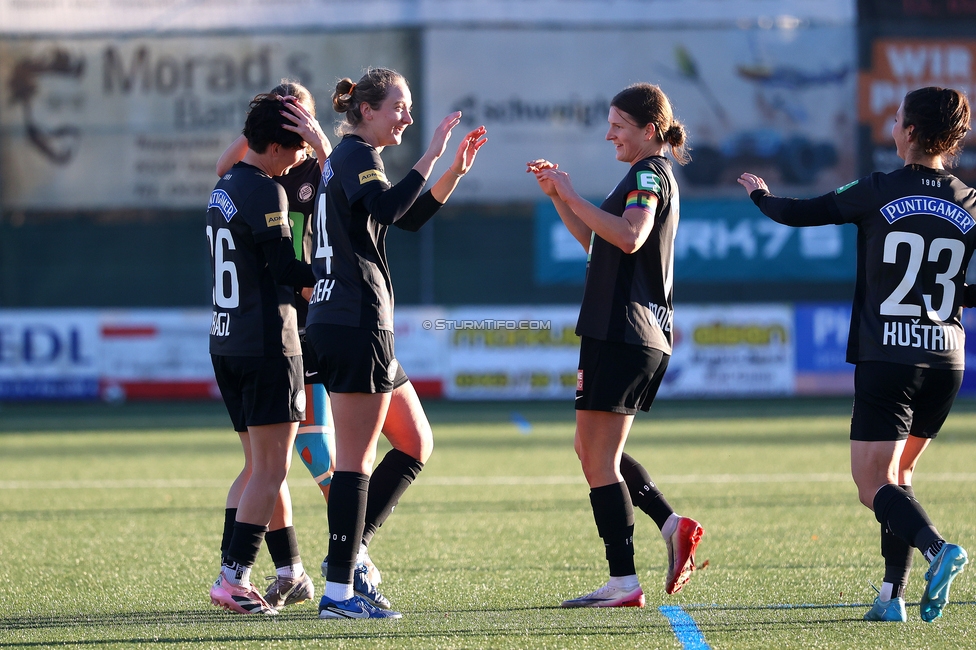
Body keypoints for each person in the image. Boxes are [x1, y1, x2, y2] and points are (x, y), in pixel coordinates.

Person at [738, 86, 972, 623]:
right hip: (945, 360)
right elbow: (960, 287)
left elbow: (799, 213)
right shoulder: (969, 198)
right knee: (899, 479)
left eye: (896, 119)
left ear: (910, 131)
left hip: (889, 358)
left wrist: (760, 196)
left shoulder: (880, 189)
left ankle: (939, 550)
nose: (891, 126)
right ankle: (891, 598)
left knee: (873, 486)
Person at [305, 68, 487, 620]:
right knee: (356, 463)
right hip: (355, 321)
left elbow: (405, 218)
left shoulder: (350, 158)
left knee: (414, 442)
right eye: (397, 107)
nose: (407, 116)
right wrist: (430, 155)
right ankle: (339, 592)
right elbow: (389, 208)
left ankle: (353, 553)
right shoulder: (358, 153)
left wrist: (450, 169)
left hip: (349, 322)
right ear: (365, 111)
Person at [528, 82, 704, 608]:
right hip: (625, 330)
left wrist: (575, 195)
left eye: (619, 126)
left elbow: (630, 235)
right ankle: (673, 527)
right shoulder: (642, 174)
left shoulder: (650, 174)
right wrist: (562, 197)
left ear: (650, 130)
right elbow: (598, 242)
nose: (609, 134)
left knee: (597, 459)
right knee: (594, 451)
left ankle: (624, 581)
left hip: (623, 330)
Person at [215, 80, 341, 610]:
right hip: (269, 343)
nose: (298, 160)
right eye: (294, 149)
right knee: (273, 470)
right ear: (273, 146)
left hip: (227, 341)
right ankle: (234, 578)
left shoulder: (224, 188)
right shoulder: (268, 189)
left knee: (254, 467)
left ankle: (265, 572)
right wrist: (332, 274)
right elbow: (285, 269)